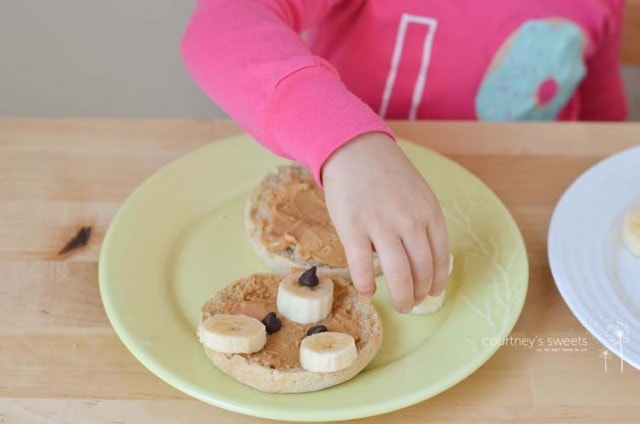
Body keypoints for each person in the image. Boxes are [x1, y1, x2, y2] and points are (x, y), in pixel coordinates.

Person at [181, 0, 627, 313]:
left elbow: (600, 123)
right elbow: (219, 22)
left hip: (531, 251)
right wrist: (346, 143)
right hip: (351, 205)